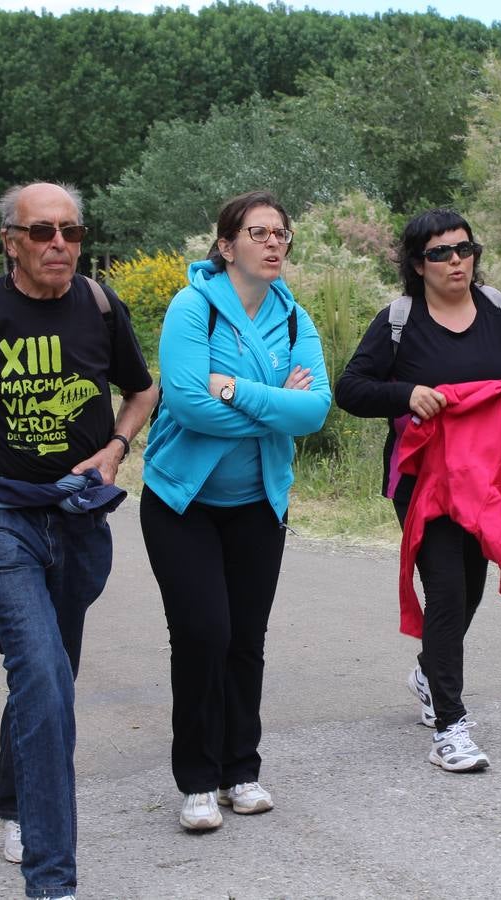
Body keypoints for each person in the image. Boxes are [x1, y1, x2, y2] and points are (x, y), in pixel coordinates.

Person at [0, 182, 156, 897]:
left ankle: (13, 803)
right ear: (10, 241)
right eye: (43, 231)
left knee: (51, 677)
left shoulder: (102, 306)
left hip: (76, 513)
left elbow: (142, 391)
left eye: (72, 232)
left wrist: (114, 447)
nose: (60, 244)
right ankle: (53, 882)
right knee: (45, 679)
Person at [335, 209, 501, 772]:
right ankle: (451, 726)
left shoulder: (498, 308)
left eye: (465, 249)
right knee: (444, 586)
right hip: (425, 480)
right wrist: (407, 393)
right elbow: (351, 388)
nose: (456, 261)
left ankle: (429, 671)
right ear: (418, 264)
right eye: (440, 253)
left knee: (470, 585)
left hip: (486, 478)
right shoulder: (398, 319)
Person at [140, 191, 330, 832]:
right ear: (226, 246)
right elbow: (190, 405)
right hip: (182, 503)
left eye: (282, 234)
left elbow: (315, 412)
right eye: (260, 233)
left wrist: (238, 391)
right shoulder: (193, 308)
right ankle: (195, 780)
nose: (275, 243)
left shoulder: (297, 320)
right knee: (203, 634)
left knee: (246, 641)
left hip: (257, 504)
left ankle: (239, 771)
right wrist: (274, 400)